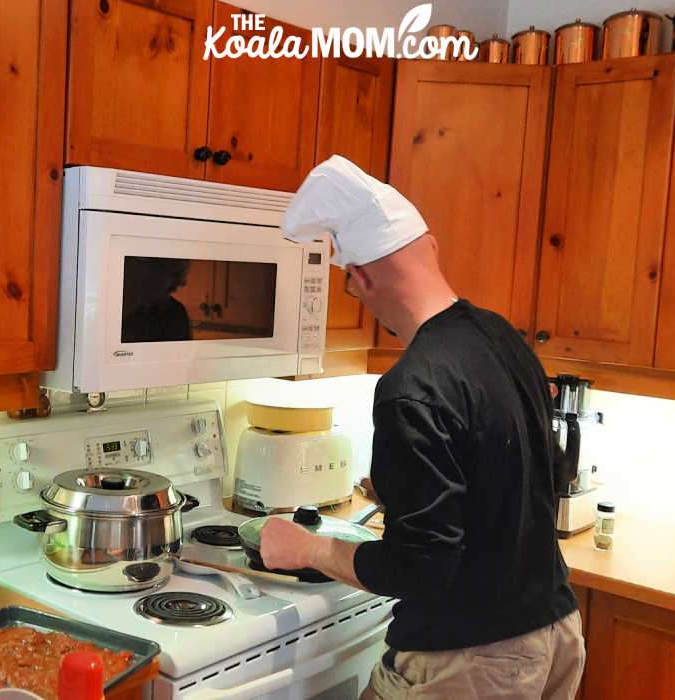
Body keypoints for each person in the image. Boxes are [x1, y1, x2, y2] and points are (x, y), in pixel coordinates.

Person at [259, 155, 585, 699]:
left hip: (472, 659)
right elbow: (538, 473)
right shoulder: (501, 337)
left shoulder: (410, 387)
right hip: (555, 631)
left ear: (357, 277)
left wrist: (307, 549)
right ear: (430, 247)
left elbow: (418, 568)